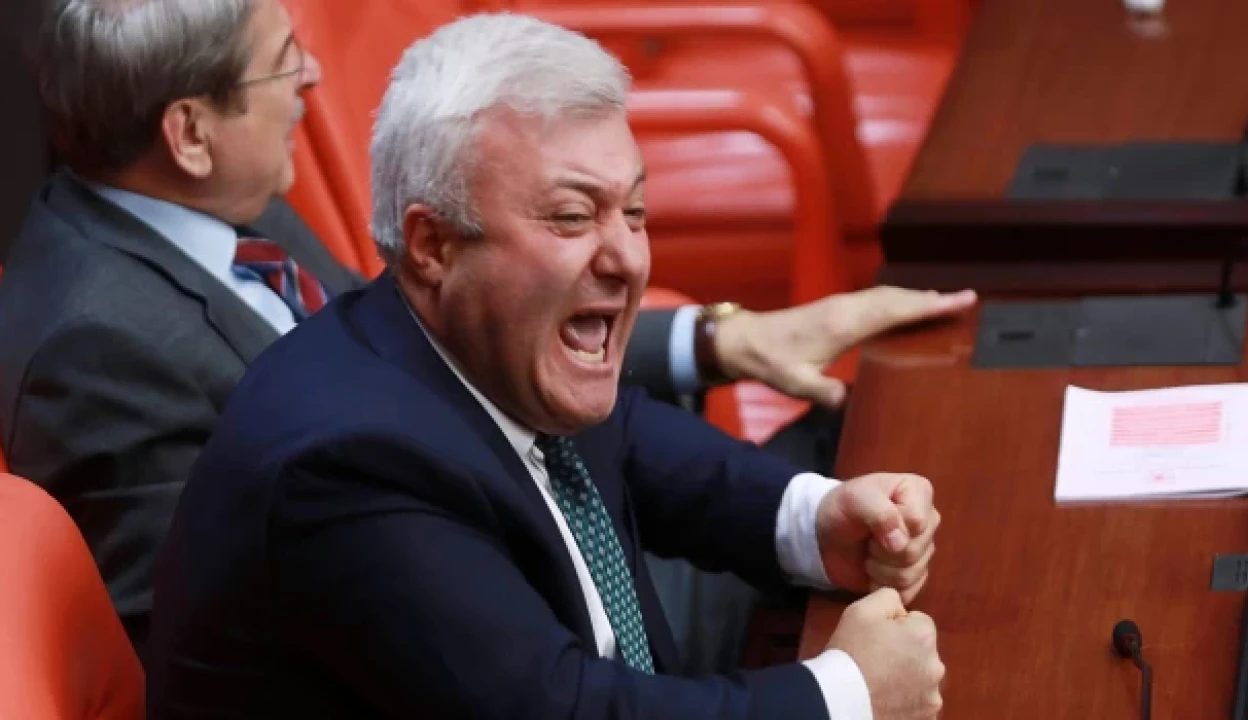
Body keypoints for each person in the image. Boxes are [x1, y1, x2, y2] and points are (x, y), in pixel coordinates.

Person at [0, 0, 973, 657]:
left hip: (517, 548)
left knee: (867, 453)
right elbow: (206, 628)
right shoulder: (95, 347)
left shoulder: (231, 206)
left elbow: (455, 335)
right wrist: (840, 697)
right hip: (482, 629)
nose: (310, 81)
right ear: (189, 132)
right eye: (280, 66)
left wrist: (719, 340)